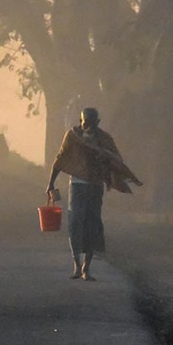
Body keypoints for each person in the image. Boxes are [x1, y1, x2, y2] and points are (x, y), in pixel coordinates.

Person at [45, 107, 141, 281]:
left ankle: (86, 268)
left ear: (97, 123)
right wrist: (50, 183)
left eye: (91, 122)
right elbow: (60, 159)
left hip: (95, 186)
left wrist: (104, 157)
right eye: (84, 122)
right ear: (80, 121)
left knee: (92, 224)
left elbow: (116, 160)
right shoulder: (72, 137)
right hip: (77, 186)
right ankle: (76, 263)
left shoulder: (104, 139)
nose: (87, 125)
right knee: (75, 223)